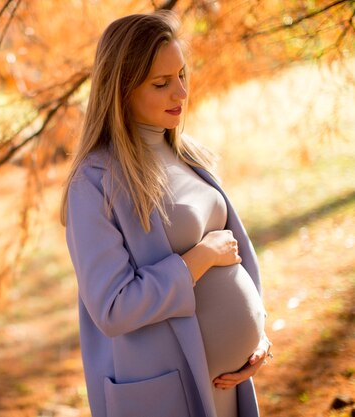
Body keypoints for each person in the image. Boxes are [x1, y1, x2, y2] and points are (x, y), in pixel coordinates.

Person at [60, 11, 273, 417]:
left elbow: (237, 258)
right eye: (161, 83)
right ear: (121, 90)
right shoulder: (93, 182)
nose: (180, 93)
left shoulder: (186, 153)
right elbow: (113, 307)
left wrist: (257, 332)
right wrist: (200, 259)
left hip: (228, 387)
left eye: (182, 76)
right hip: (169, 392)